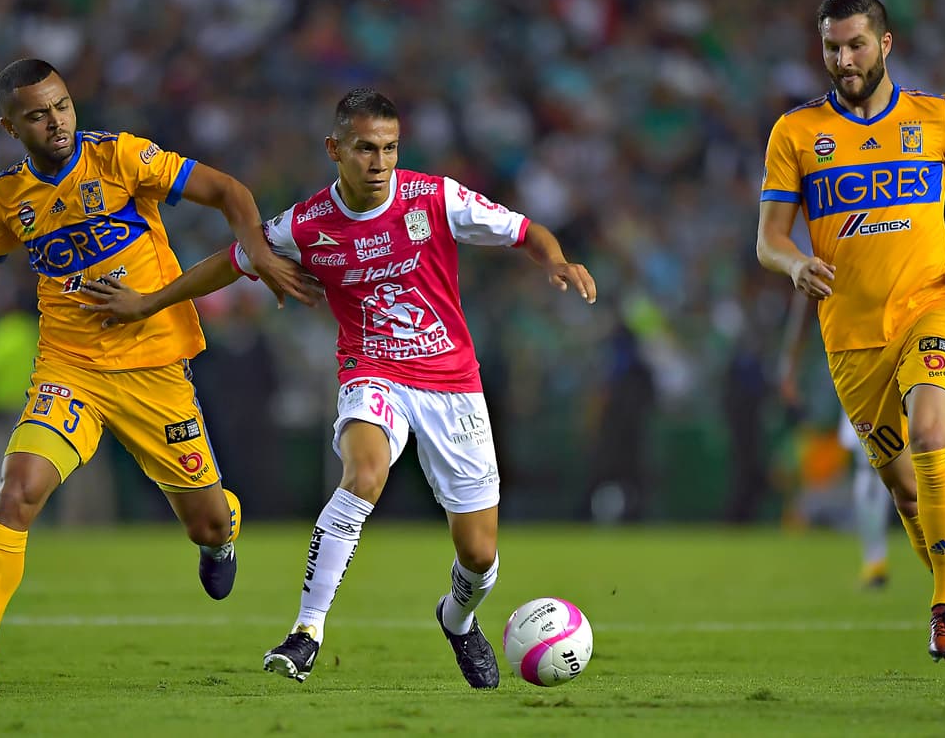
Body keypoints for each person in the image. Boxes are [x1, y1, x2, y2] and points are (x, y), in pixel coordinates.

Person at [79, 88, 596, 688]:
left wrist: (556, 261)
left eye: (389, 149)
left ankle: (457, 619)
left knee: (479, 557)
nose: (379, 162)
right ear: (335, 149)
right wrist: (149, 301)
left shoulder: (436, 198)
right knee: (364, 475)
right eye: (365, 149)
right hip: (371, 370)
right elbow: (230, 261)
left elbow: (524, 231)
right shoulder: (305, 225)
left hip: (452, 382)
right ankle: (306, 632)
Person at [0, 58, 320, 692]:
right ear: (10, 128)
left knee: (207, 521)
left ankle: (221, 535)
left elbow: (228, 190)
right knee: (17, 490)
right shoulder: (8, 197)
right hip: (71, 366)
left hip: (153, 366)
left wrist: (258, 252)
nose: (56, 121)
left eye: (61, 106)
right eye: (37, 115)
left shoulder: (120, 157)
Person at [756, 0, 945, 678]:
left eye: (856, 45)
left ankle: (944, 606)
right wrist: (795, 263)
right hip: (849, 335)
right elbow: (768, 240)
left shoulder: (938, 116)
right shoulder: (795, 133)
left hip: (932, 305)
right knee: (905, 491)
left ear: (885, 44)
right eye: (832, 47)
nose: (844, 59)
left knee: (932, 434)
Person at [777, 291, 893, 588]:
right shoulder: (833, 259)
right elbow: (806, 297)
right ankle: (875, 561)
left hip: (908, 347)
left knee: (920, 452)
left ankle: (941, 559)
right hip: (855, 359)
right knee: (870, 463)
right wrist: (790, 362)